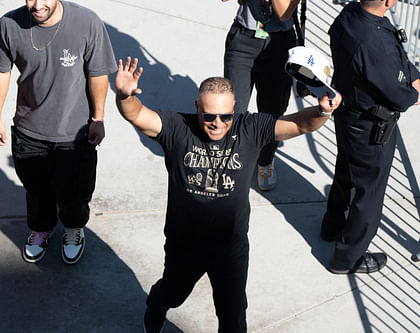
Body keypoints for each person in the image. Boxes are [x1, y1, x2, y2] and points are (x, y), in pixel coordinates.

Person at [115, 57, 341, 333]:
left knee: (233, 316)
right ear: (197, 108)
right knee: (172, 294)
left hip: (230, 247)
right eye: (209, 116)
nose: (217, 123)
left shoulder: (250, 128)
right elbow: (138, 115)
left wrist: (323, 111)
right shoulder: (177, 128)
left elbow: (300, 124)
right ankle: (156, 306)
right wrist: (125, 96)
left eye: (225, 116)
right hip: (184, 245)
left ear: (235, 109)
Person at [0, 0, 117, 264]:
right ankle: (41, 229)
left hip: (75, 133)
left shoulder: (87, 22)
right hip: (29, 129)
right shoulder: (9, 25)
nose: (37, 4)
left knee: (75, 192)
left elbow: (98, 74)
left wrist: (98, 118)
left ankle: (74, 229)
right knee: (36, 189)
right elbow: (0, 69)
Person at [320, 0, 420, 274]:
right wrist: (415, 93)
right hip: (370, 126)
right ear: (389, 2)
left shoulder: (350, 13)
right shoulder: (375, 43)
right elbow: (399, 95)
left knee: (346, 172)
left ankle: (332, 226)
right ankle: (347, 258)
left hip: (348, 115)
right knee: (369, 193)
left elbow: (393, 59)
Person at [222, 0, 300, 191]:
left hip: (279, 44)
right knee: (232, 108)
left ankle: (265, 162)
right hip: (242, 38)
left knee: (272, 111)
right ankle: (232, 161)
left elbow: (284, 13)